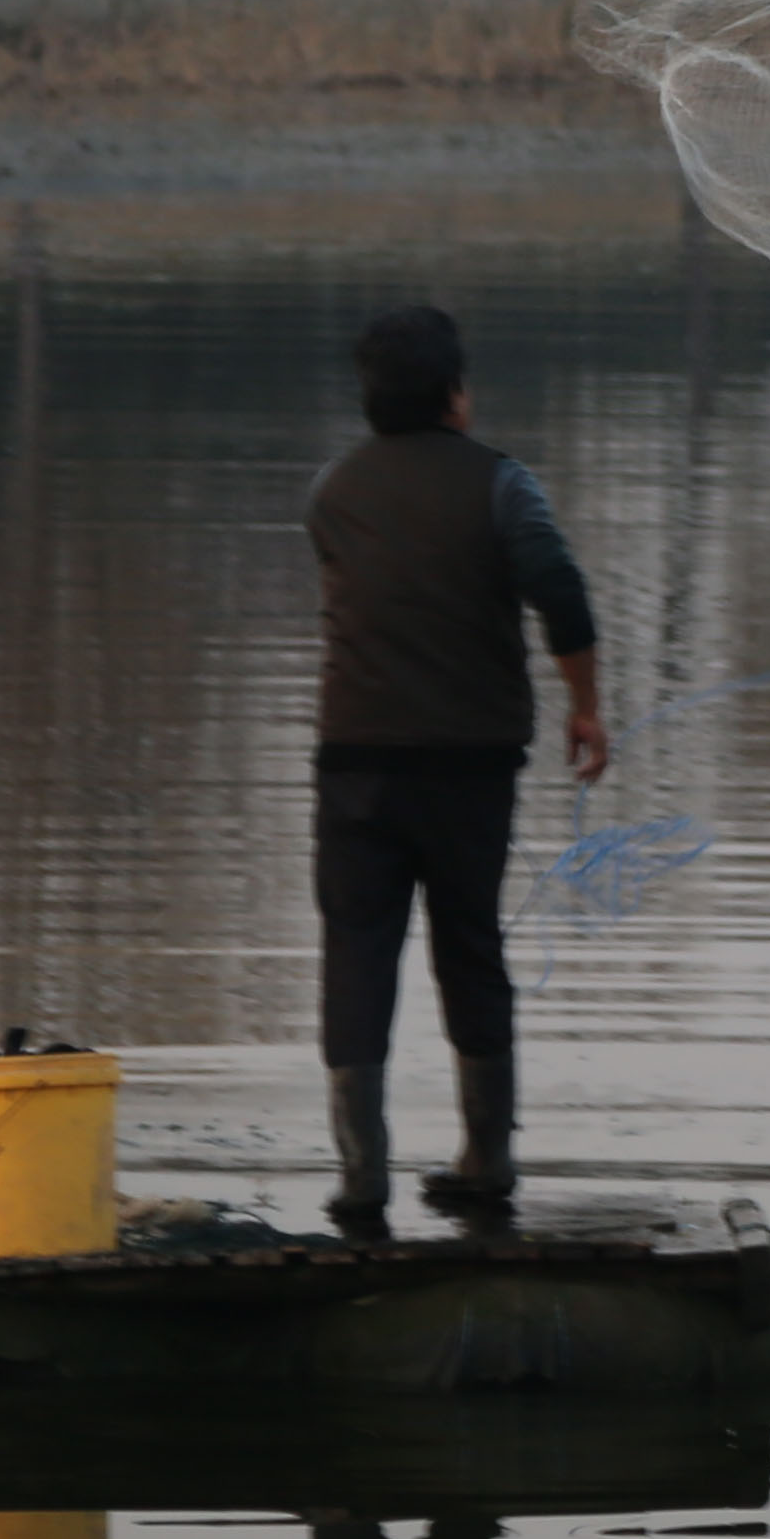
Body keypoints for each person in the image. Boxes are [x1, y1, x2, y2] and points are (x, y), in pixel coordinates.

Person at [306, 304, 606, 1233]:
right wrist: (586, 707)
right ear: (456, 397)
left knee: (357, 952)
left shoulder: (332, 494)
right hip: (471, 767)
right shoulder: (502, 488)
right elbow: (559, 593)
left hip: (354, 763)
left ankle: (360, 1178)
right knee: (468, 945)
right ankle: (487, 1159)